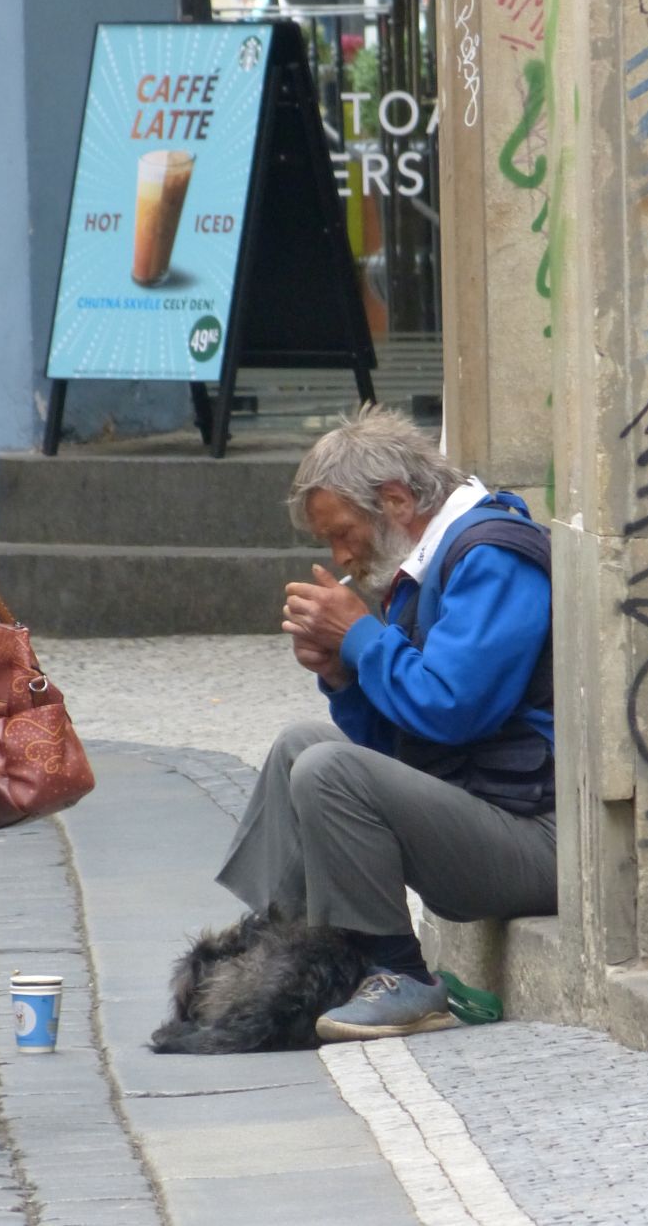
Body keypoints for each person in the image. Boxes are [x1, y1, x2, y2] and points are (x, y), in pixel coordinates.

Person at [216, 405, 556, 1042]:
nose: (342, 555)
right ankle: (287, 959)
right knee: (299, 747)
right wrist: (344, 677)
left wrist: (362, 637)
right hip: (480, 808)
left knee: (328, 767)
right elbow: (405, 746)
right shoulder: (427, 564)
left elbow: (452, 709)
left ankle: (400, 974)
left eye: (343, 533)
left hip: (539, 838)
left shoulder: (493, 557)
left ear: (396, 500)